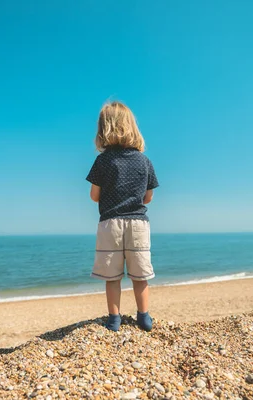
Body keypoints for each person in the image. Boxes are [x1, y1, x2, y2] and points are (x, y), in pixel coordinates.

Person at [86, 101, 159, 332]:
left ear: (104, 129)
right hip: (138, 223)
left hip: (111, 223)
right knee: (140, 275)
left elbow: (94, 196)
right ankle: (144, 316)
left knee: (113, 276)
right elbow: (148, 198)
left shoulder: (103, 161)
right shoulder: (144, 161)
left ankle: (114, 319)